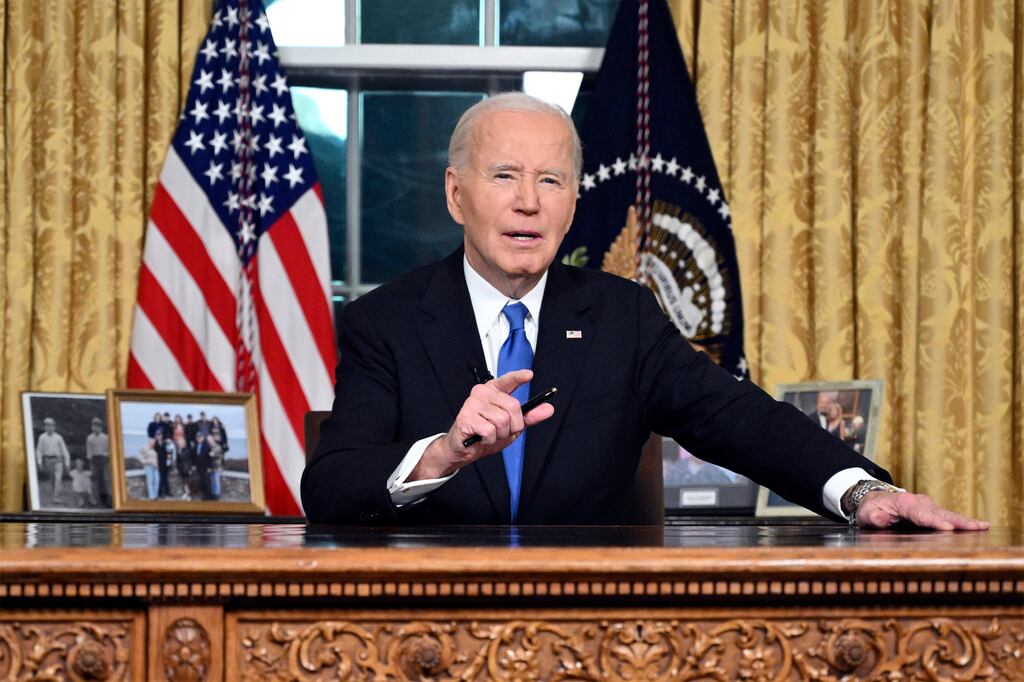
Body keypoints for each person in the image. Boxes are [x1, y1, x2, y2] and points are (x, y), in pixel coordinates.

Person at [302, 92, 987, 532]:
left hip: (593, 626)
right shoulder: (385, 322)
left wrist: (862, 492)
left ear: (574, 203)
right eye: (504, 176)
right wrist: (444, 453)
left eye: (550, 181)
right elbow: (330, 487)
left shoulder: (621, 317)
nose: (528, 202)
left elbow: (739, 419)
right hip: (428, 626)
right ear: (457, 195)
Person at [36, 417, 71, 501]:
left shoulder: (58, 437)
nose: (50, 428)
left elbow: (64, 450)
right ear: (45, 427)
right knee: (52, 479)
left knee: (58, 478)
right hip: (48, 460)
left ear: (54, 427)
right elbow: (39, 450)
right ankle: (55, 493)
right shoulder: (42, 437)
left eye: (51, 426)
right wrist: (39, 461)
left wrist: (67, 462)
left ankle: (56, 497)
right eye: (48, 426)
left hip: (58, 460)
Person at [85, 417, 110, 507]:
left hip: (103, 458)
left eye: (97, 426)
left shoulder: (105, 437)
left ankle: (107, 499)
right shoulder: (89, 438)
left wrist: (107, 459)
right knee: (96, 480)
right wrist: (90, 463)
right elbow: (89, 451)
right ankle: (98, 499)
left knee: (105, 479)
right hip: (94, 459)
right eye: (94, 426)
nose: (95, 428)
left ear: (100, 427)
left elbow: (109, 449)